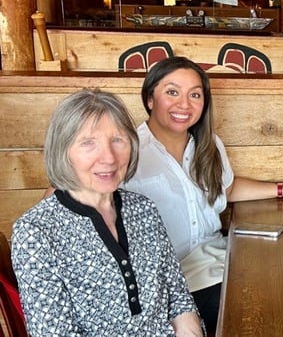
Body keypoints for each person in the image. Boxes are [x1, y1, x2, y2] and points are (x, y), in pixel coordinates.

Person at [121, 56, 283, 333]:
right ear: (150, 98)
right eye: (172, 92)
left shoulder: (207, 143)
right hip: (172, 284)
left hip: (221, 262)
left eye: (194, 95)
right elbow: (71, 195)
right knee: (265, 315)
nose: (184, 104)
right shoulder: (128, 150)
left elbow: (227, 188)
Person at [11, 89, 202, 336]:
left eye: (117, 140)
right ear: (63, 151)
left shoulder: (144, 209)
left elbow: (177, 297)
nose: (109, 158)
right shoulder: (36, 232)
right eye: (88, 143)